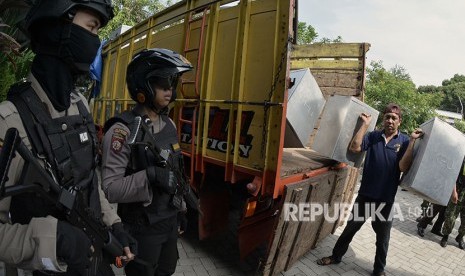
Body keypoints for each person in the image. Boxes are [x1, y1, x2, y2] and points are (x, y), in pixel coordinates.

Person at [0, 0, 136, 275]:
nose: (96, 43)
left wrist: (113, 224)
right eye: (91, 28)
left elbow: (87, 180)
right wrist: (53, 239)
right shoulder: (10, 121)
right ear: (56, 27)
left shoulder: (79, 106)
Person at [101, 48, 193, 276]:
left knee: (166, 270)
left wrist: (181, 209)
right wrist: (151, 175)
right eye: (162, 83)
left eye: (172, 83)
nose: (169, 90)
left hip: (169, 223)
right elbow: (110, 189)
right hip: (142, 229)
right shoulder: (121, 131)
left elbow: (176, 171)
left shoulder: (169, 125)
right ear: (143, 86)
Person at [316, 103, 423, 276]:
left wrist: (411, 142)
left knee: (382, 239)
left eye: (394, 118)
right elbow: (354, 148)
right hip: (365, 196)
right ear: (383, 119)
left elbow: (403, 167)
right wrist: (364, 125)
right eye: (387, 117)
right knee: (350, 229)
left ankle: (379, 270)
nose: (390, 120)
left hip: (385, 200)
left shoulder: (403, 141)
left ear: (399, 122)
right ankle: (336, 256)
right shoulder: (373, 136)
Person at [440, 159, 465, 249]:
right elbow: (453, 175)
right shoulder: (462, 158)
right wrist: (454, 192)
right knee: (450, 217)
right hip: (458, 191)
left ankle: (460, 237)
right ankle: (445, 236)